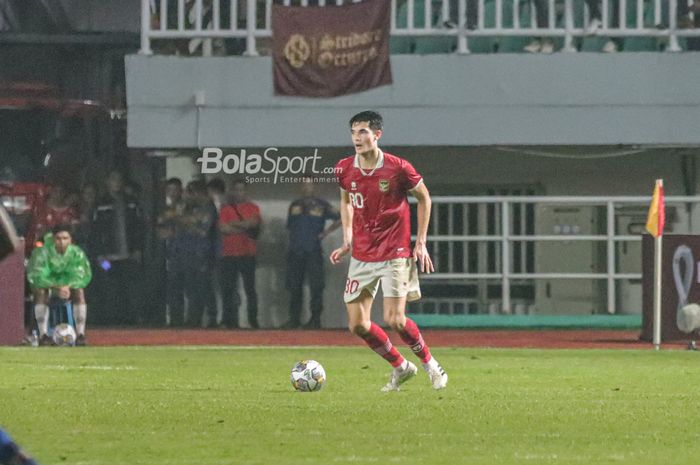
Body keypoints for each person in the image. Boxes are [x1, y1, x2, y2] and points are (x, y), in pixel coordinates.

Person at [330, 110, 448, 391]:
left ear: (377, 135)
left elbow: (424, 197)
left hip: (394, 251)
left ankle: (431, 364)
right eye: (353, 132)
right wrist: (347, 239)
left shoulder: (398, 167)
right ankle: (401, 367)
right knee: (358, 325)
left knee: (394, 319)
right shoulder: (344, 168)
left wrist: (420, 241)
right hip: (361, 253)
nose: (357, 138)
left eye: (363, 132)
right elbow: (346, 201)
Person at [283, 176, 341, 329]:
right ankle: (294, 319)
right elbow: (290, 228)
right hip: (295, 251)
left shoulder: (321, 205)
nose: (306, 188)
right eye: (303, 185)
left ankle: (315, 320)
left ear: (314, 187)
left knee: (316, 286)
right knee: (295, 287)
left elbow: (341, 217)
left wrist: (326, 232)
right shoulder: (294, 205)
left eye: (309, 185)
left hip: (313, 251)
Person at [90, 170, 143, 325]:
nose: (116, 183)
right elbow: (95, 231)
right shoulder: (100, 204)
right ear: (108, 182)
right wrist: (99, 254)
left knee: (129, 286)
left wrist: (138, 249)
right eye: (113, 180)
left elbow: (138, 227)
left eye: (119, 180)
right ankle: (110, 319)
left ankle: (130, 318)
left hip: (128, 255)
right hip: (107, 257)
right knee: (109, 286)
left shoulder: (131, 202)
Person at [26, 224, 92, 346]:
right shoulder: (42, 253)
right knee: (40, 292)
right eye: (58, 238)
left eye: (65, 238)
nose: (62, 242)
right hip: (50, 287)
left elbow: (81, 274)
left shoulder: (77, 253)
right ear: (53, 239)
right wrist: (56, 287)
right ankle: (43, 335)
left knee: (79, 292)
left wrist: (69, 286)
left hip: (67, 287)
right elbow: (38, 275)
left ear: (71, 240)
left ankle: (80, 335)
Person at [218, 179, 261, 329]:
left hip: (247, 253)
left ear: (246, 191)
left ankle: (253, 320)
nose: (239, 193)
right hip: (229, 254)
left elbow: (253, 224)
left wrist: (234, 225)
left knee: (250, 289)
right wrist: (243, 226)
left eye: (242, 190)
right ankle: (228, 320)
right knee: (228, 289)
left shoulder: (253, 208)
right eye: (236, 190)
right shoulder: (225, 209)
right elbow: (223, 228)